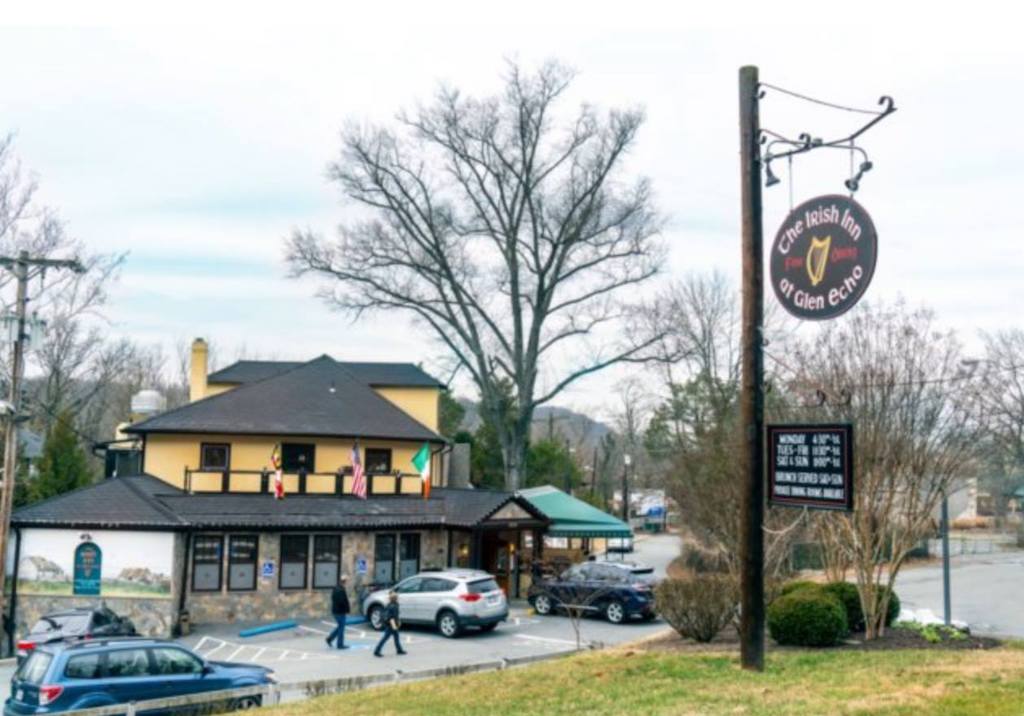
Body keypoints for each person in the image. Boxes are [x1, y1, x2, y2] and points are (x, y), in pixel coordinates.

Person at [373, 591, 406, 657]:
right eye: (397, 597)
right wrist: (395, 625)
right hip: (391, 624)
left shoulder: (389, 604)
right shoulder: (394, 606)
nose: (398, 598)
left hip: (389, 623)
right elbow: (393, 617)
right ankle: (377, 650)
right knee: (386, 637)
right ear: (395, 598)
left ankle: (399, 649)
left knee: (396, 637)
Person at [325, 574, 351, 650]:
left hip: (336, 611)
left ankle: (329, 639)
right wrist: (346, 609)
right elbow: (342, 601)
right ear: (344, 581)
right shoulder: (341, 590)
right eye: (347, 581)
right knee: (341, 628)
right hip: (340, 612)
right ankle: (340, 644)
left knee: (340, 627)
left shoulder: (336, 588)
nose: (347, 583)